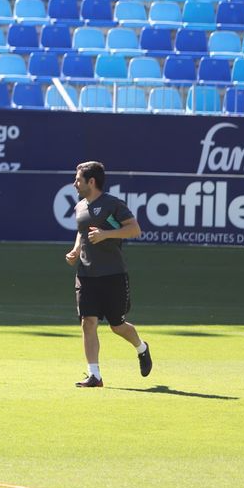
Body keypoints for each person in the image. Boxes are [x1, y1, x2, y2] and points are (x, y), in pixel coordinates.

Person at [68, 161, 152, 388]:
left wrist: (106, 235)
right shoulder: (80, 206)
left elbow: (135, 230)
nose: (75, 183)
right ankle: (94, 375)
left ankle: (141, 347)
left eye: (78, 179)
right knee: (88, 322)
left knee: (117, 325)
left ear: (91, 182)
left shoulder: (112, 204)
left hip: (113, 275)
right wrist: (76, 249)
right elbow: (82, 232)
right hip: (86, 274)